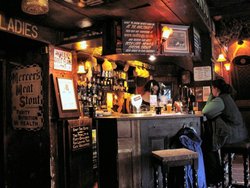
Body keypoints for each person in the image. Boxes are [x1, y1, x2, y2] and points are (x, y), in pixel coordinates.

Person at [201, 78, 248, 186]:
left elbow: (205, 111)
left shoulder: (220, 99)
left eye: (212, 88)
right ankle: (221, 174)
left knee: (209, 144)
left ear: (215, 88)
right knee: (210, 142)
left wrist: (211, 96)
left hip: (233, 134)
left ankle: (216, 177)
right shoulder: (227, 97)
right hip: (241, 133)